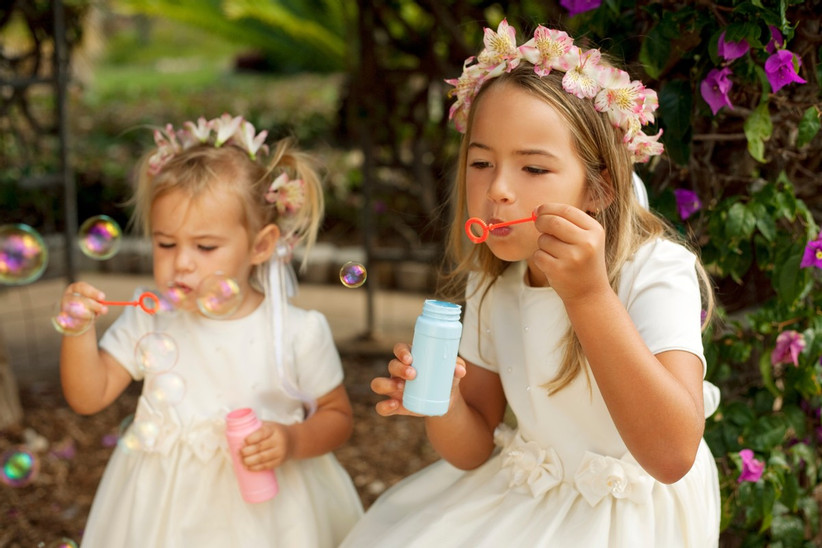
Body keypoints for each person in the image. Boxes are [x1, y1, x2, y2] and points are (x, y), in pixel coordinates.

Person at [341, 19, 720, 547]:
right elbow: (471, 450)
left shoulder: (654, 270)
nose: (497, 189)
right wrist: (444, 401)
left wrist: (587, 294)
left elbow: (672, 454)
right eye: (480, 162)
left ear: (599, 188)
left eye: (534, 169)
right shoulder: (494, 280)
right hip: (534, 492)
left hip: (626, 516)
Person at [57, 114, 363, 547]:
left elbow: (338, 418)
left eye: (204, 247)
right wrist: (77, 330)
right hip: (166, 517)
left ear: (260, 245)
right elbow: (88, 396)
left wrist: (292, 441)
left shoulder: (296, 331)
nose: (181, 262)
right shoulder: (150, 317)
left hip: (270, 517)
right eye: (166, 244)